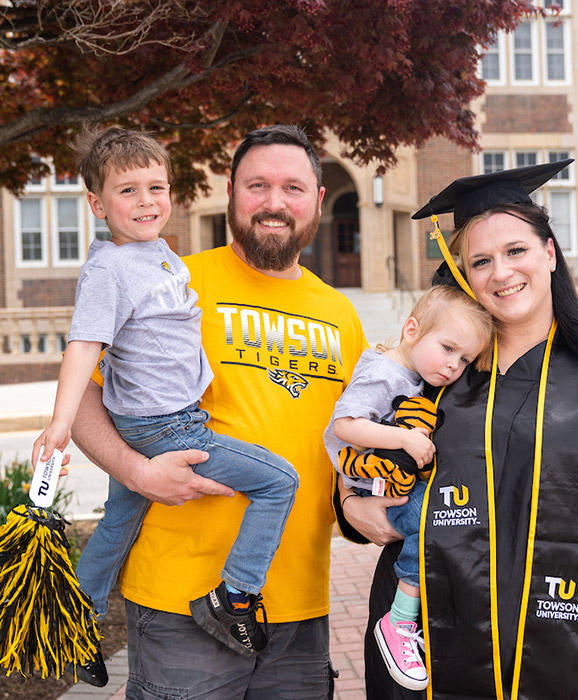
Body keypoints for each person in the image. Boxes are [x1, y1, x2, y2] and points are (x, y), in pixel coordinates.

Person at [338, 160, 578, 700]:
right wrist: (347, 502)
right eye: (480, 261)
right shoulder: (436, 375)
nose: (501, 273)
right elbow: (362, 445)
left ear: (549, 253)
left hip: (571, 656)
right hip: (425, 653)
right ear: (463, 275)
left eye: (516, 251)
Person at [68, 124, 367, 699]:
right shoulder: (173, 278)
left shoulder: (341, 313)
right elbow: (85, 391)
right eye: (257, 185)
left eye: (293, 188)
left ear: (318, 200)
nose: (275, 203)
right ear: (230, 191)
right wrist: (135, 473)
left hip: (300, 605)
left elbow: (343, 446)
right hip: (180, 599)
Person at [31, 126, 301, 684]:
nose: (146, 201)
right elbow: (84, 345)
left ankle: (74, 622)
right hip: (166, 426)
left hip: (152, 418)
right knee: (279, 482)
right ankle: (236, 594)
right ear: (96, 203)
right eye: (128, 191)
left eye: (157, 187)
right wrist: (59, 424)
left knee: (118, 525)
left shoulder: (155, 254)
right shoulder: (109, 268)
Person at [325, 284, 493, 691]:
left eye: (465, 358)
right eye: (449, 348)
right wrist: (404, 440)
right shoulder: (383, 372)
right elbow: (343, 425)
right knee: (431, 520)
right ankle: (399, 619)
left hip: (384, 478)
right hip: (371, 481)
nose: (455, 365)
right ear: (412, 329)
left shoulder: (408, 372)